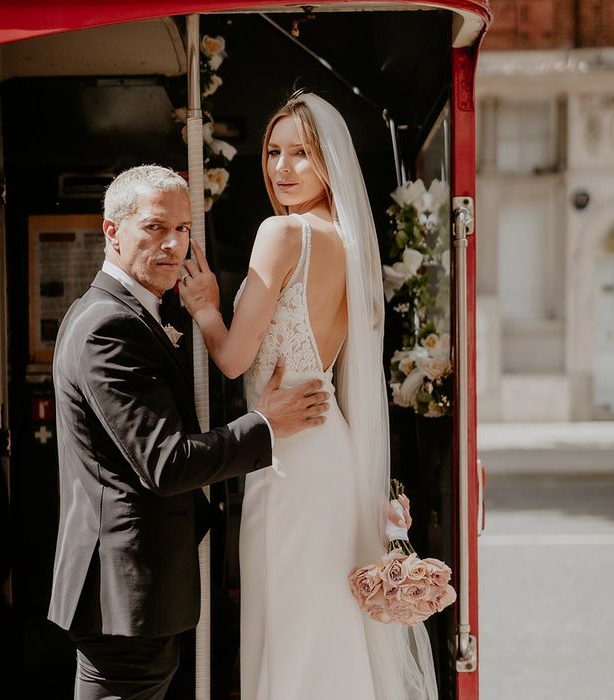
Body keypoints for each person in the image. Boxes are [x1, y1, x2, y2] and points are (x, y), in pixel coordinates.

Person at [179, 93, 438, 699]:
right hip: (332, 445)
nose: (282, 168)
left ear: (329, 163)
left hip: (288, 450)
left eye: (301, 153)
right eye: (273, 151)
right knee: (326, 618)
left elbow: (235, 358)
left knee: (292, 620)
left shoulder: (282, 232)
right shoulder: (349, 243)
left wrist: (205, 309)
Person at [48, 164, 331, 700]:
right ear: (112, 230)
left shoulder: (129, 312)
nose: (173, 244)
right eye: (155, 228)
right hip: (124, 594)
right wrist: (267, 425)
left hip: (134, 596)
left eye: (182, 230)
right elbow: (166, 464)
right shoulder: (108, 325)